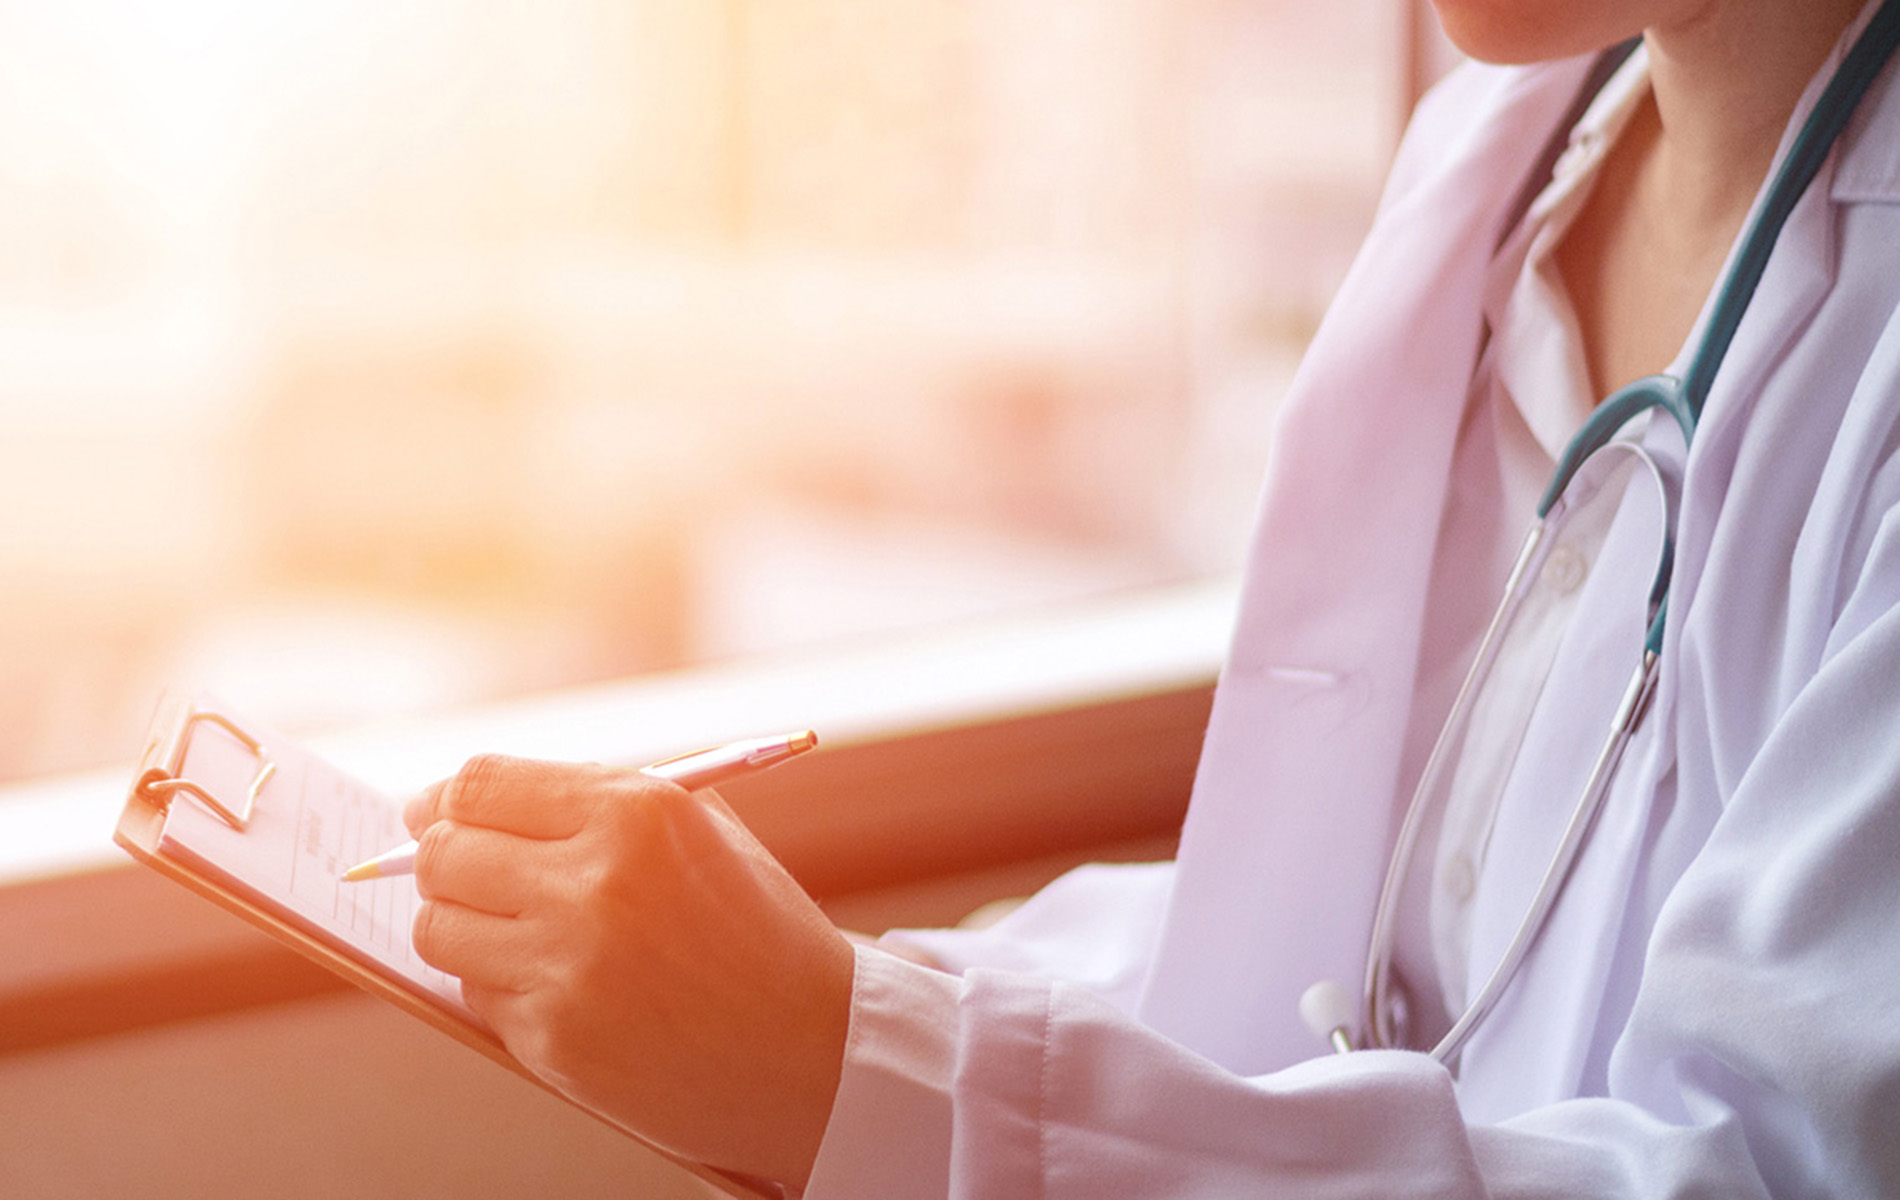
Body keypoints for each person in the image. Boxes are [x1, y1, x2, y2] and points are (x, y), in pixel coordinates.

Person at [399, 0, 1900, 1193]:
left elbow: (1770, 1168)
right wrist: (833, 1000)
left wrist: (850, 1067)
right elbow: (1326, 937)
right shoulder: (1505, 154)